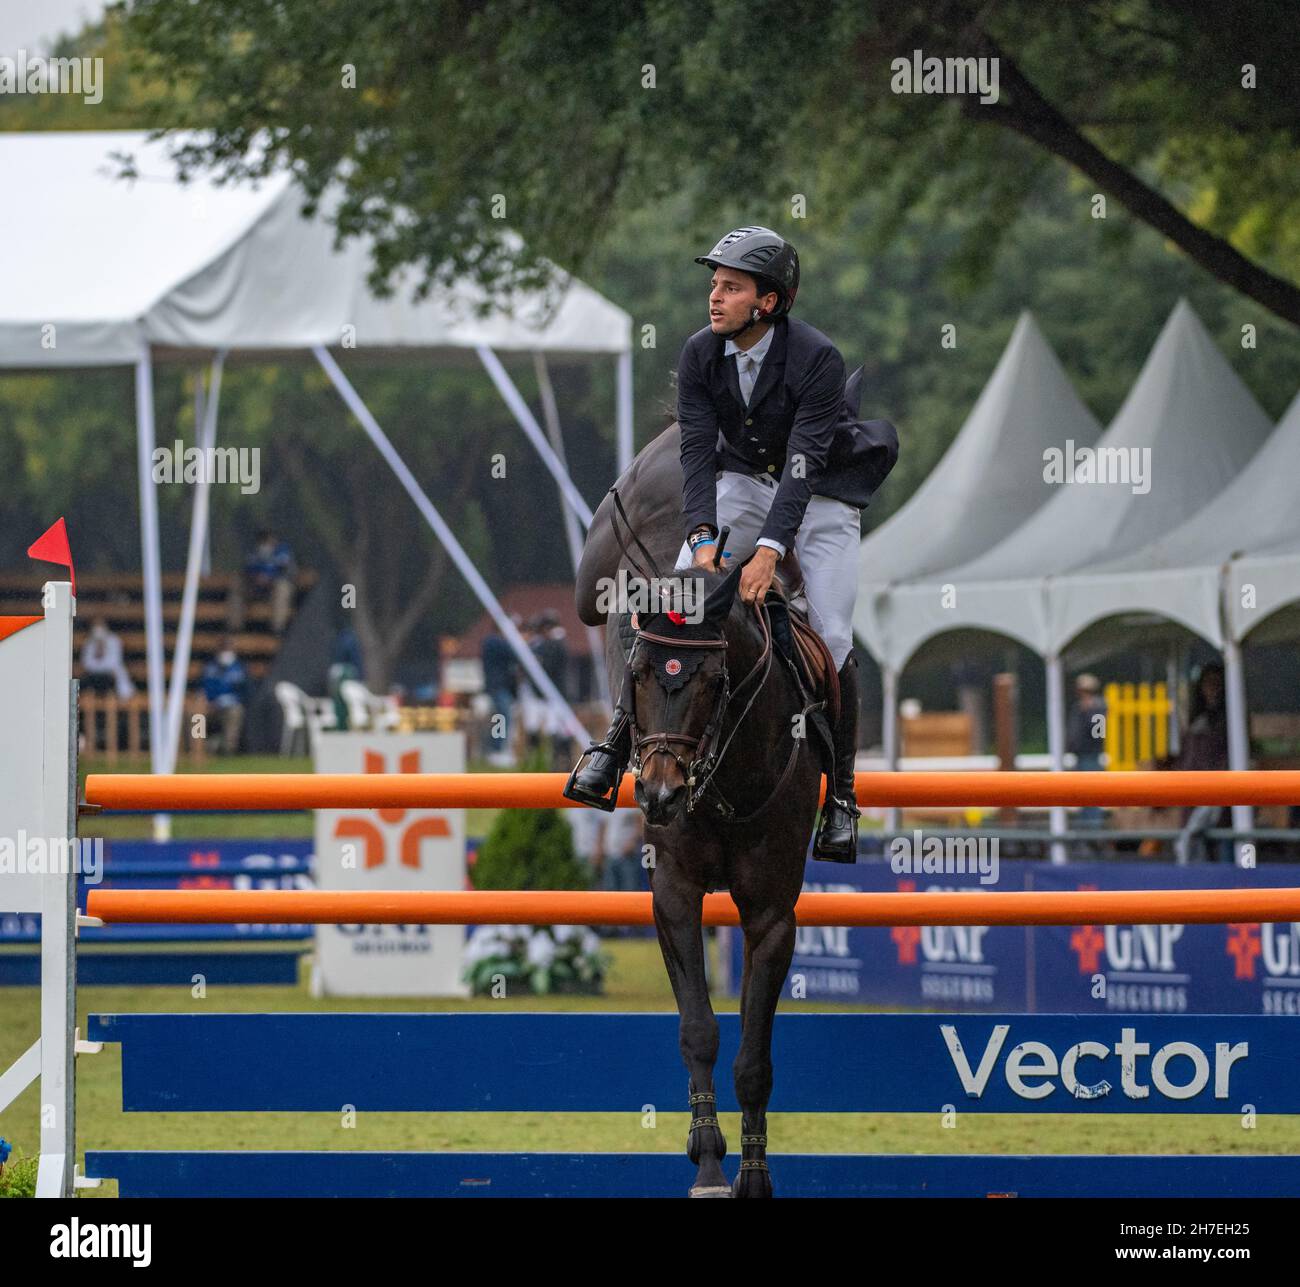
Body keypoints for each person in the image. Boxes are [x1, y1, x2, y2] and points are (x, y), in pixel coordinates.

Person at [568, 226, 899, 861]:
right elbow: (697, 454)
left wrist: (769, 551)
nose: (714, 297)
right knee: (678, 595)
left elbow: (803, 465)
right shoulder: (700, 353)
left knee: (832, 635)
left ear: (768, 302)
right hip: (744, 482)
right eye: (713, 284)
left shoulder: (816, 358)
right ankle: (614, 742)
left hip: (820, 494)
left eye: (730, 287)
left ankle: (841, 799)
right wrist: (699, 537)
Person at [1067, 673, 1107, 828]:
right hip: (1081, 756)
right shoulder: (1078, 708)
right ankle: (1085, 830)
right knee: (1082, 796)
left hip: (1091, 756)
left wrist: (1090, 713)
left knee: (1092, 795)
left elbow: (1099, 734)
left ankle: (1093, 831)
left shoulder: (1098, 708)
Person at [244, 527, 296, 634]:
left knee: (281, 589)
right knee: (237, 587)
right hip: (257, 587)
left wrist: (270, 578)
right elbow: (249, 569)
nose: (264, 544)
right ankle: (234, 628)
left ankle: (277, 629)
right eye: (262, 541)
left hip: (276, 585)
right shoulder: (254, 553)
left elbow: (286, 571)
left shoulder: (282, 551)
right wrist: (256, 578)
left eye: (267, 541)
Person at [481, 621, 519, 765]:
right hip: (498, 686)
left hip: (497, 686)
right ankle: (496, 750)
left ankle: (497, 749)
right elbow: (514, 653)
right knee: (501, 717)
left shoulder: (492, 642)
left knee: (501, 717)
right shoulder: (494, 642)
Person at [201, 637, 248, 754]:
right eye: (224, 649)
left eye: (229, 649)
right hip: (210, 706)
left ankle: (228, 749)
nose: (226, 653)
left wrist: (228, 700)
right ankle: (198, 747)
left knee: (235, 712)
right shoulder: (209, 668)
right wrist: (207, 701)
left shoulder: (239, 668)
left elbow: (246, 692)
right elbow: (201, 688)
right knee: (196, 715)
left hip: (230, 706)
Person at [79, 616, 134, 700]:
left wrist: (103, 650)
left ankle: (122, 702)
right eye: (95, 625)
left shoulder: (114, 640)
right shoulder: (89, 642)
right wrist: (97, 651)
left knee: (118, 676)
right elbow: (86, 664)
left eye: (100, 625)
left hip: (110, 674)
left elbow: (115, 662)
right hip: (93, 675)